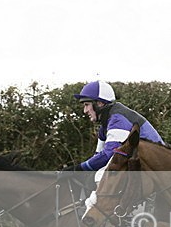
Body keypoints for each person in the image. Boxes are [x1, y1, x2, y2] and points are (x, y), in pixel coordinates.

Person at [67, 80, 163, 210]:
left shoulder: (118, 119)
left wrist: (77, 168)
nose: (85, 110)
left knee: (102, 175)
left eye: (87, 105)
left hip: (155, 171)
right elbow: (98, 156)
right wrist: (80, 169)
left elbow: (108, 155)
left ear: (100, 103)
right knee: (95, 175)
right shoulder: (105, 124)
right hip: (142, 166)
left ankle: (125, 216)